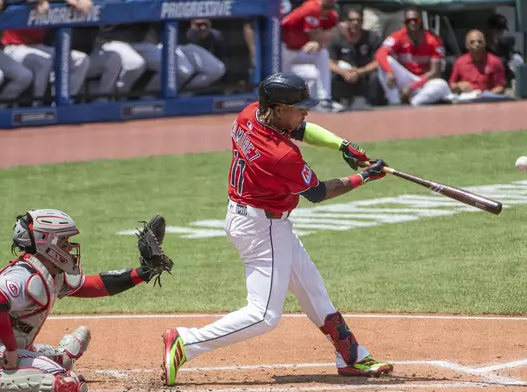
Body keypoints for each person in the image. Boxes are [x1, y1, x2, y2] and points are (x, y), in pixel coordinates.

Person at [161, 72, 393, 387]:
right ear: (280, 108)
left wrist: (343, 146)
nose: (306, 113)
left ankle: (351, 356)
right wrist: (364, 178)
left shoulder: (250, 115)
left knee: (313, 290)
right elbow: (318, 193)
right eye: (300, 107)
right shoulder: (280, 155)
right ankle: (186, 342)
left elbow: (301, 128)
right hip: (262, 228)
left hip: (257, 219)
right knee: (263, 316)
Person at [0, 210, 173, 392]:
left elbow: (94, 285)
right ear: (46, 243)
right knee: (67, 383)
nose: (69, 247)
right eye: (63, 242)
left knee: (61, 360)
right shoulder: (26, 275)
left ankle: (54, 356)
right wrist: (11, 350)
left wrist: (143, 273)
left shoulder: (51, 272)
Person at [374, 7, 451, 106]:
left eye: (415, 20)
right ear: (404, 22)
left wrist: (412, 87)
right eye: (408, 21)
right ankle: (394, 102)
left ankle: (413, 103)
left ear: (421, 21)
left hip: (423, 82)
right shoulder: (398, 36)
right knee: (385, 61)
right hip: (405, 78)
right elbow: (380, 53)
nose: (412, 23)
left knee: (441, 85)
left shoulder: (434, 40)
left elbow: (435, 72)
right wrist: (389, 71)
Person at [281, 0, 345, 112]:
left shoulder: (332, 16)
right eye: (327, 3)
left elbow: (324, 40)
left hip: (300, 50)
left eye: (332, 3)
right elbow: (315, 36)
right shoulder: (311, 7)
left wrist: (320, 42)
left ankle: (325, 99)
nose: (328, 6)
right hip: (283, 49)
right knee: (282, 78)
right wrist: (323, 39)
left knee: (322, 54)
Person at [329, 8, 385, 108]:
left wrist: (360, 72)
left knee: (375, 77)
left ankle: (373, 104)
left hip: (364, 74)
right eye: (351, 20)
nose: (355, 23)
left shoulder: (372, 37)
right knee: (331, 75)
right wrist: (343, 72)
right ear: (345, 21)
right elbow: (329, 62)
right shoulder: (336, 37)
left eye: (358, 20)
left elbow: (379, 61)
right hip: (343, 75)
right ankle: (335, 101)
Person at [448, 30, 507, 103]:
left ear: (485, 44)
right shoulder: (460, 62)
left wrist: (485, 95)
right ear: (467, 45)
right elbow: (451, 85)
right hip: (465, 100)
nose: (476, 44)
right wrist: (459, 85)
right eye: (472, 42)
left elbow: (500, 87)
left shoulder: (495, 62)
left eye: (480, 42)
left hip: (486, 100)